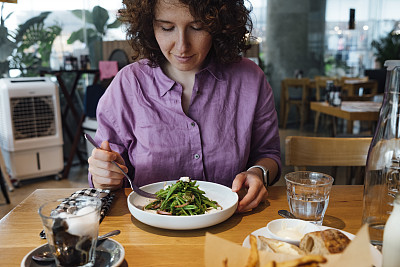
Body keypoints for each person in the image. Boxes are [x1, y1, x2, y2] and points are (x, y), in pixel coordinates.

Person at [88, 0, 281, 213]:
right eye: (167, 28)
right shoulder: (128, 84)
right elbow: (105, 173)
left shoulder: (250, 79)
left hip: (233, 222)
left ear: (218, 25)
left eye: (197, 27)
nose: (182, 46)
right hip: (150, 228)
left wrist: (258, 173)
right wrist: (104, 174)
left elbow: (268, 154)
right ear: (149, 25)